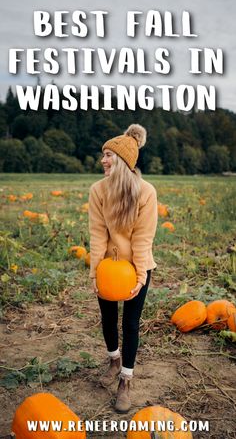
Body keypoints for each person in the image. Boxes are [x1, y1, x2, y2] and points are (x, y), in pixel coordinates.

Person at [88, 124, 158, 413]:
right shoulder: (97, 190)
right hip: (108, 267)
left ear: (123, 160)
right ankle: (113, 359)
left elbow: (143, 238)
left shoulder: (145, 192)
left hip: (137, 268)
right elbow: (96, 235)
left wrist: (141, 275)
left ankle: (126, 379)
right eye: (103, 154)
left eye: (108, 155)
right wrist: (94, 272)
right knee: (107, 318)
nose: (102, 160)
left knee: (130, 323)